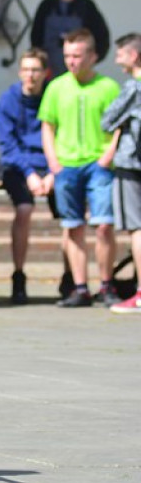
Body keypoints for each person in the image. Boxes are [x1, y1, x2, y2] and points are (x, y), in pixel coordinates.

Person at [39, 28, 120, 307]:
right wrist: (53, 161)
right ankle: (80, 286)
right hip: (67, 165)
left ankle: (107, 284)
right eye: (67, 56)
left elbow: (121, 125)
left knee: (103, 225)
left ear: (93, 56)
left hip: (98, 164)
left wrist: (109, 154)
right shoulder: (57, 86)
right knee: (73, 227)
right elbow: (47, 125)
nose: (72, 61)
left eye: (77, 55)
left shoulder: (108, 87)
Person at [0, 48, 56, 304]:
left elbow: (62, 139)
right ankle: (18, 276)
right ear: (20, 72)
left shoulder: (53, 97)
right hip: (20, 166)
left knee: (70, 217)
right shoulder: (8, 100)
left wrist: (53, 171)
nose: (30, 75)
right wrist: (31, 174)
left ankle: (71, 280)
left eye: (36, 70)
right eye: (26, 69)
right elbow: (8, 146)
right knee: (24, 209)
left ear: (45, 73)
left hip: (53, 164)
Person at [101, 33, 141, 314]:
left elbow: (107, 120)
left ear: (134, 55)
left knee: (137, 228)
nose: (116, 59)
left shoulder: (134, 88)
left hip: (132, 163)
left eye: (121, 54)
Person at [30, 0, 110, 77]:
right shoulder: (47, 6)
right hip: (50, 69)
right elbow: (36, 35)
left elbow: (101, 35)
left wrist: (92, 60)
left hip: (78, 70)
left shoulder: (86, 6)